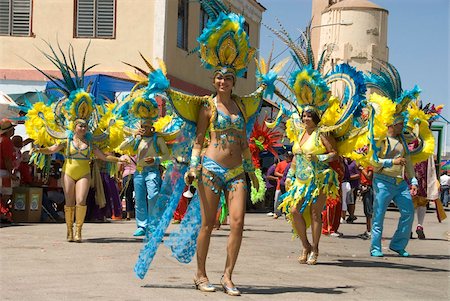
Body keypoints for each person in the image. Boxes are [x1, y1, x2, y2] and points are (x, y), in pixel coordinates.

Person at [34, 119, 128, 242]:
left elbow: (103, 156)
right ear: (74, 127)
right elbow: (52, 150)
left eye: (85, 126)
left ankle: (78, 230)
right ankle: (69, 230)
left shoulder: (90, 143)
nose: (83, 128)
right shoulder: (66, 141)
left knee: (81, 201)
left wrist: (118, 160)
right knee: (69, 202)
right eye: (80, 126)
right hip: (68, 172)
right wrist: (39, 150)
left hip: (84, 173)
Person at [280, 108, 339, 265]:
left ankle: (315, 249)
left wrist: (319, 157)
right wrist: (289, 176)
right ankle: (306, 245)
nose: (306, 119)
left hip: (319, 179)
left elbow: (334, 153)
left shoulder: (322, 134)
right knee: (294, 211)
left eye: (309, 116)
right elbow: (295, 158)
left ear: (315, 119)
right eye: (304, 116)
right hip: (300, 181)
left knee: (315, 213)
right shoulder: (299, 134)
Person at [120, 120, 170, 237]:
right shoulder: (138, 139)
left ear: (152, 128)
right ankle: (142, 226)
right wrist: (134, 136)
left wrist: (155, 159)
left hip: (152, 171)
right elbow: (122, 147)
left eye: (146, 126)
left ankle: (153, 225)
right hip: (139, 172)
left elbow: (167, 154)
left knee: (153, 195)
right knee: (139, 199)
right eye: (142, 126)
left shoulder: (157, 139)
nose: (144, 129)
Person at [0, 120, 17, 223]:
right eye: (13, 128)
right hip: (3, 172)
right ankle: (3, 214)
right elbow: (7, 159)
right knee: (6, 193)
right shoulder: (6, 141)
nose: (14, 130)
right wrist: (11, 173)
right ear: (9, 131)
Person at [273, 152, 293, 219]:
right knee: (277, 200)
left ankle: (287, 213)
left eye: (290, 156)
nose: (288, 158)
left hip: (290, 185)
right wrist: (284, 175)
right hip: (281, 184)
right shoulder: (281, 164)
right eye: (287, 156)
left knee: (288, 200)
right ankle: (276, 212)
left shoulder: (293, 163)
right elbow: (275, 172)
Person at [357, 165, 374, 240]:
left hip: (369, 188)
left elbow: (369, 176)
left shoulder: (370, 164)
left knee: (369, 210)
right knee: (367, 210)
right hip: (365, 188)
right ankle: (368, 230)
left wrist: (362, 169)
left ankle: (370, 231)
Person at [119, 154, 136, 221]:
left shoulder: (124, 157)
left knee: (128, 196)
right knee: (138, 195)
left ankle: (128, 214)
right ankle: (138, 213)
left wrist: (120, 177)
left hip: (126, 176)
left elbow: (120, 168)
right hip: (136, 175)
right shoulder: (138, 155)